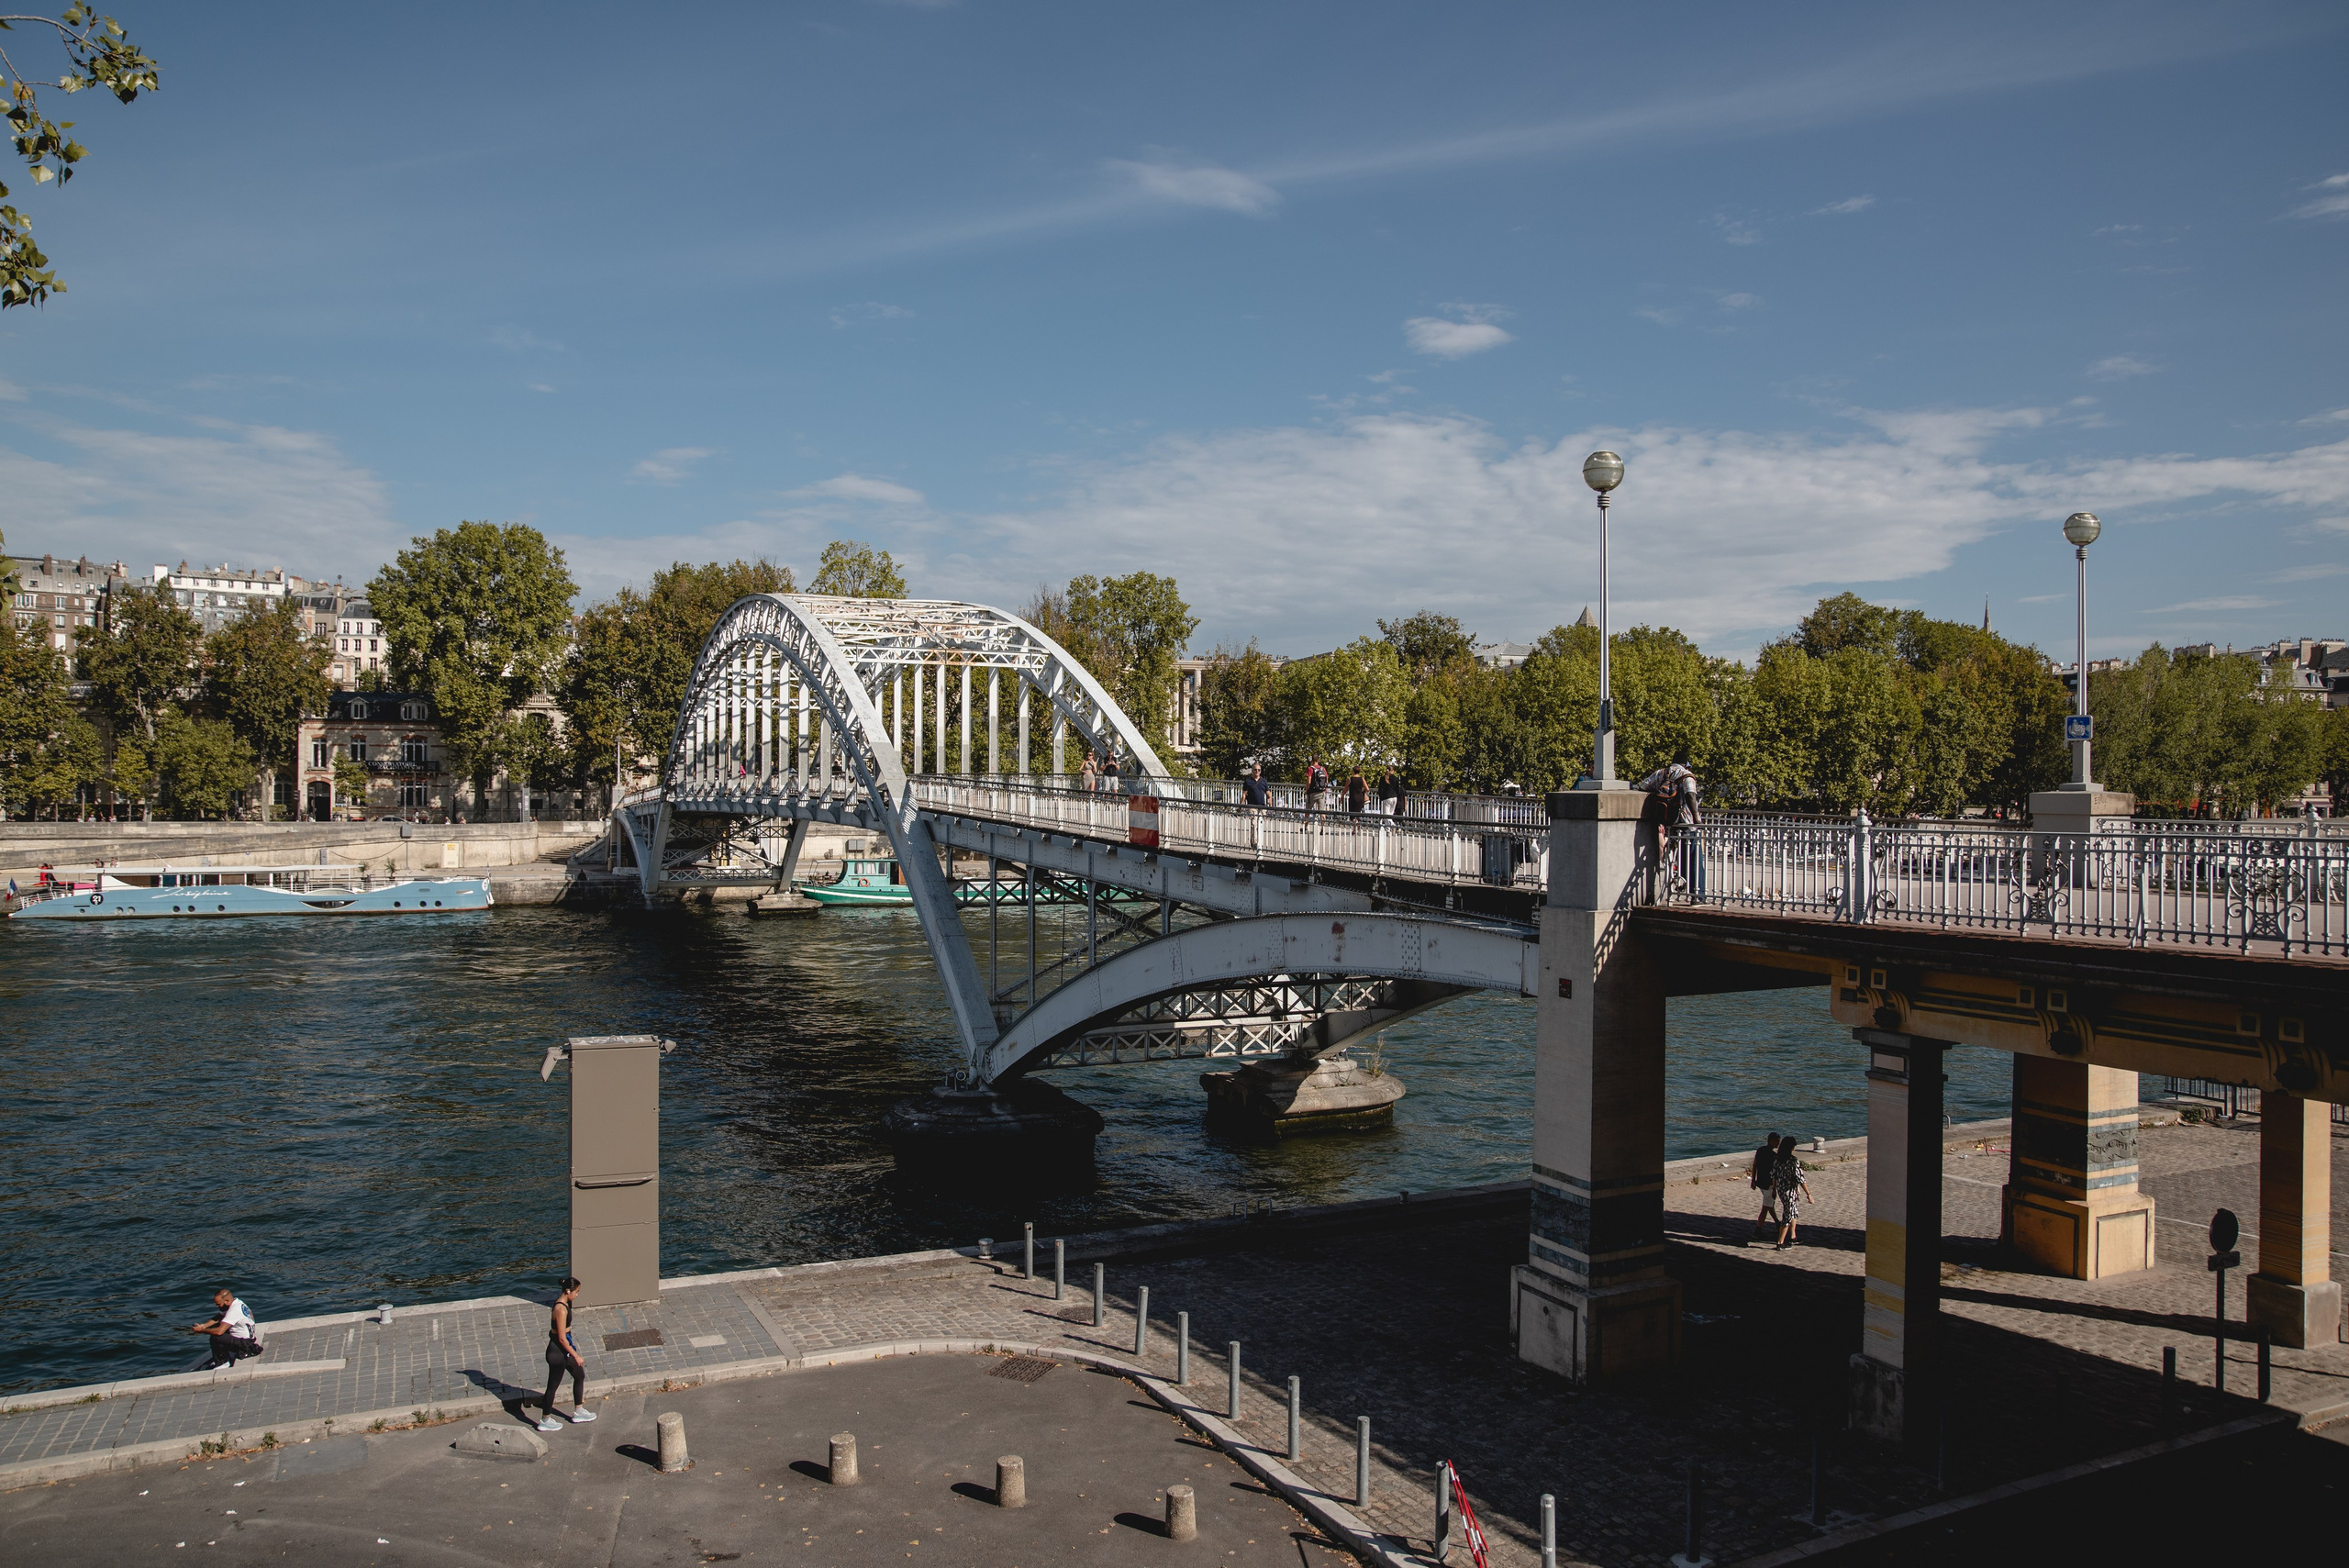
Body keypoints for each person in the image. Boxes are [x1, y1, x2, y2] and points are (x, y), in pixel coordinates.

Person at [1633, 748, 1704, 897]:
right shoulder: (1686, 775)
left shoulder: (1661, 773)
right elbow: (1690, 795)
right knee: (1693, 858)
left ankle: (1676, 887)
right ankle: (1698, 894)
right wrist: (1697, 819)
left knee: (1673, 858)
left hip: (1667, 823)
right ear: (1686, 764)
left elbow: (1643, 787)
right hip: (1685, 822)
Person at [536, 1276, 596, 1431]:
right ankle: (545, 1420)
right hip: (558, 1353)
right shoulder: (561, 1309)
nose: (577, 1295)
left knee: (579, 1375)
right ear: (568, 1291)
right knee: (552, 1387)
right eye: (576, 1292)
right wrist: (576, 1355)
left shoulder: (565, 1303)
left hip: (564, 1350)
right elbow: (562, 1339)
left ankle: (579, 1411)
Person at [189, 1286, 262, 1370]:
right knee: (215, 1327)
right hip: (244, 1338)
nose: (216, 1306)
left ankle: (222, 1363)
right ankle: (220, 1357)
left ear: (227, 1301)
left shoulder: (234, 1310)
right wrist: (204, 1326)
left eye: (218, 1304)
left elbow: (219, 1332)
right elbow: (219, 1317)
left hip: (244, 1343)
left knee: (216, 1336)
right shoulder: (235, 1302)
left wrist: (201, 1330)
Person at [1773, 1140, 1813, 1251]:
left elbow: (1774, 1174)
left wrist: (1773, 1189)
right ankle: (1780, 1242)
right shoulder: (1793, 1161)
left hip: (1781, 1189)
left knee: (1793, 1211)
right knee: (1788, 1214)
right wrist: (1808, 1194)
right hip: (1789, 1190)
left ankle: (1792, 1236)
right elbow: (1800, 1178)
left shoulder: (1778, 1159)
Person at [1751, 1132, 1782, 1237]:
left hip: (1760, 1182)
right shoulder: (1774, 1156)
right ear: (1771, 1141)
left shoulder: (1760, 1150)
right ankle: (1758, 1229)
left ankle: (1778, 1223)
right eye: (1777, 1141)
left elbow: (1754, 1165)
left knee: (1769, 1204)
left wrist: (1753, 1180)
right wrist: (1774, 1188)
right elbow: (1775, 1174)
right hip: (1769, 1185)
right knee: (1766, 1207)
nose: (1778, 1143)